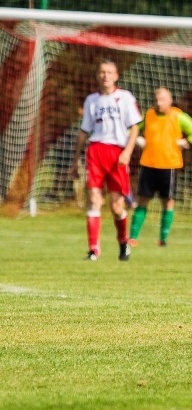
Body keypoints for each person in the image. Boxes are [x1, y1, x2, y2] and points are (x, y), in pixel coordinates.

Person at [70, 59, 142, 261]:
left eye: (109, 72)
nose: (105, 75)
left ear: (116, 76)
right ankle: (93, 249)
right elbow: (84, 131)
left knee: (117, 206)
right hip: (96, 150)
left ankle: (123, 241)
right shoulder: (92, 100)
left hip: (118, 152)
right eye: (102, 72)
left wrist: (127, 151)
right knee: (94, 198)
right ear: (97, 76)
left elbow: (135, 127)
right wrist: (75, 160)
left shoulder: (125, 98)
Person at [129, 87, 192, 247]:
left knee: (168, 202)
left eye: (162, 99)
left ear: (170, 100)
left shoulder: (178, 116)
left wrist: (187, 142)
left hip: (169, 166)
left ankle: (163, 239)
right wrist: (137, 138)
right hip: (148, 164)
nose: (159, 103)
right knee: (142, 200)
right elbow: (133, 129)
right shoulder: (149, 115)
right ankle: (133, 237)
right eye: (156, 99)